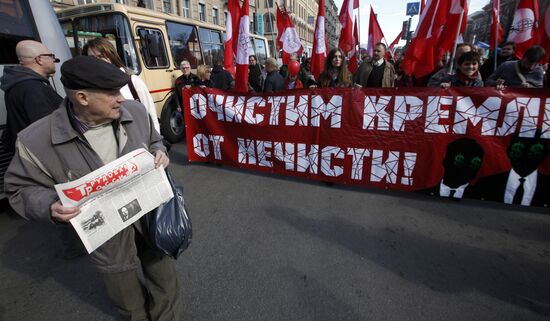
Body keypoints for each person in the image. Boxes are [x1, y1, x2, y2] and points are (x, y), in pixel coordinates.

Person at [4, 56, 183, 320]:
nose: (120, 98)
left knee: (165, 283)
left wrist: (158, 151)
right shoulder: (35, 140)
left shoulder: (134, 111)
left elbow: (154, 139)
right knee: (128, 300)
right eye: (111, 93)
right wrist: (50, 206)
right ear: (82, 98)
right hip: (107, 237)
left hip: (151, 220)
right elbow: (18, 189)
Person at [83, 37, 160, 133]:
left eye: (101, 56)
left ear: (111, 56)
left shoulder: (133, 82)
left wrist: (155, 145)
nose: (96, 62)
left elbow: (151, 116)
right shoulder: (90, 89)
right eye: (92, 58)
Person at [0, 40, 62, 152]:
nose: (54, 60)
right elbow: (49, 132)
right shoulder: (33, 88)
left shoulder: (18, 83)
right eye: (51, 56)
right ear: (39, 59)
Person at [470, 131, 550, 207]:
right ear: (509, 152)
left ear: (544, 155)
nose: (524, 156)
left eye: (534, 151)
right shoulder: (485, 184)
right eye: (518, 150)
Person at [418, 138, 484, 199]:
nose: (465, 167)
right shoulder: (420, 197)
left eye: (474, 164)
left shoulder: (482, 200)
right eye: (459, 161)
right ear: (445, 162)